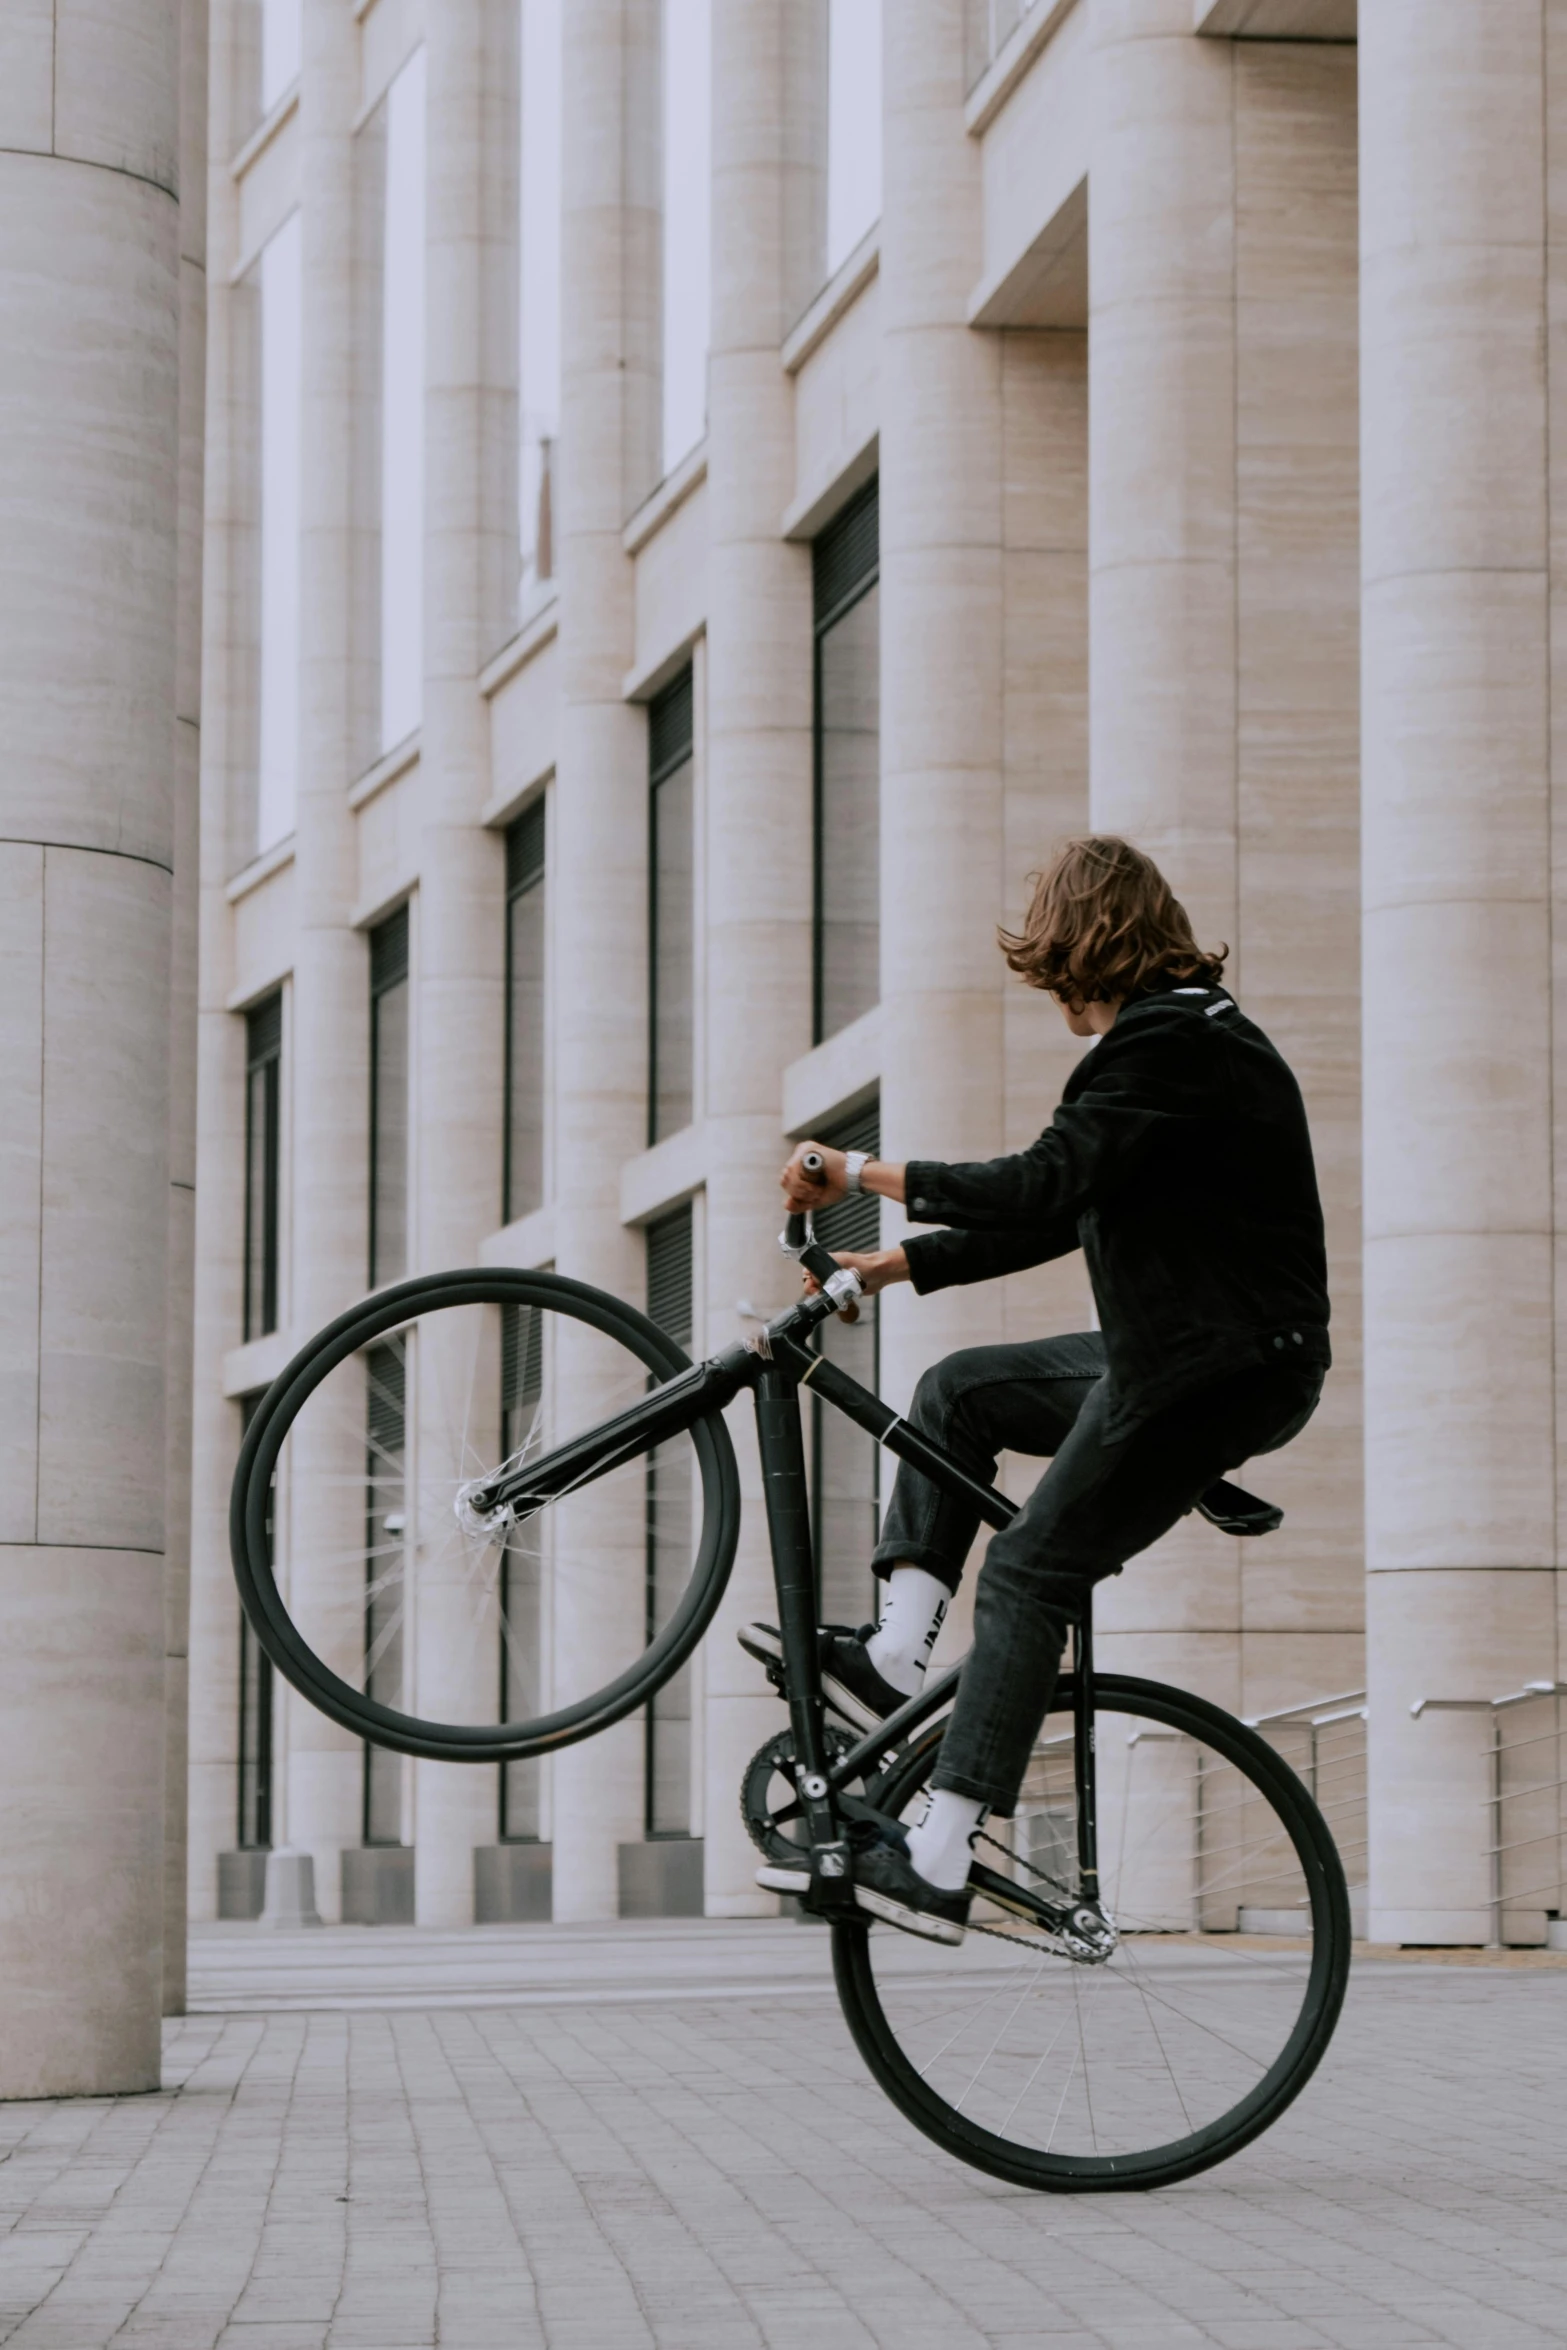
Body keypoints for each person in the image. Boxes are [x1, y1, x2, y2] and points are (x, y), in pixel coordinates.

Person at [743, 835, 1330, 1945]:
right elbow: (1063, 1210)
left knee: (1027, 1572)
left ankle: (938, 1852)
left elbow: (1040, 1178)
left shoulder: (1169, 1047)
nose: (1057, 998)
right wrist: (894, 1263)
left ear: (1091, 947)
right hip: (1184, 1352)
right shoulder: (1184, 1047)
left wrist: (858, 1173)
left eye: (1058, 972)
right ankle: (892, 1653)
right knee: (961, 1389)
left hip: (1212, 1371)